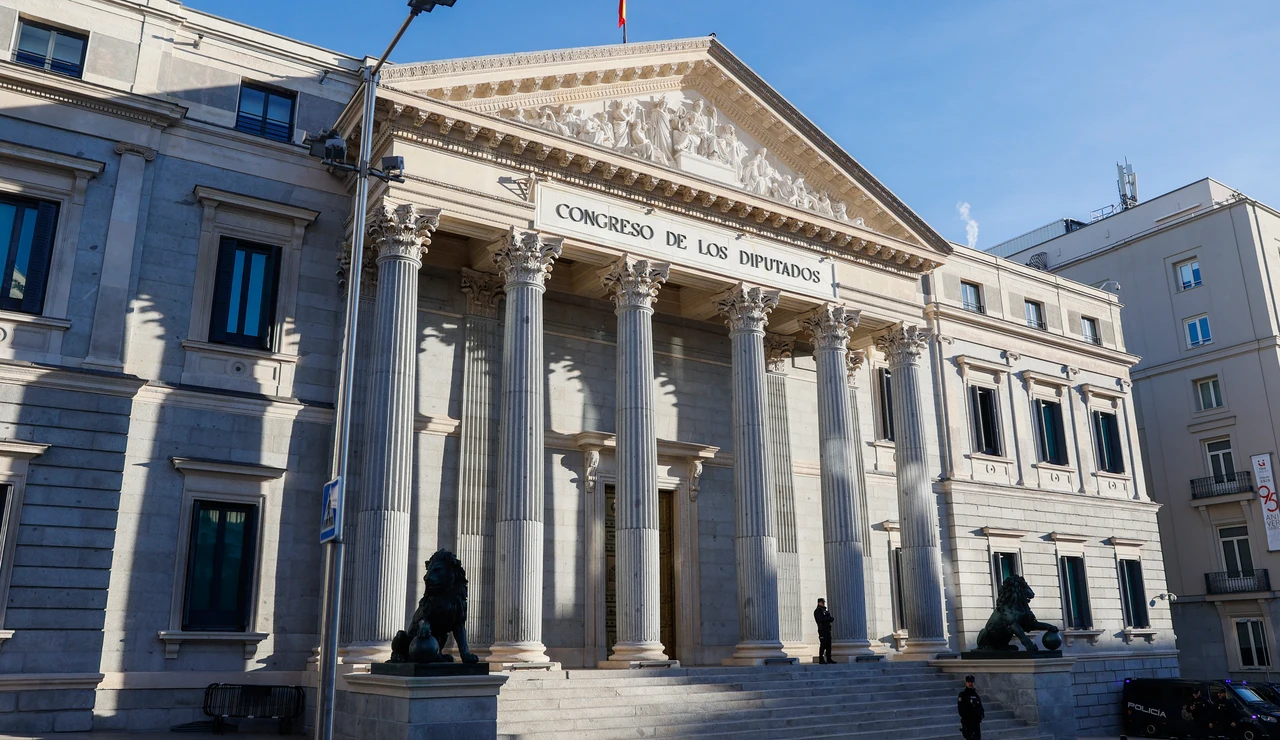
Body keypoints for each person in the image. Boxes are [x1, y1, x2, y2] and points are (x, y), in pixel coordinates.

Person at [958, 675, 984, 740]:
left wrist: (981, 715)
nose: (970, 683)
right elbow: (961, 709)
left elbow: (980, 707)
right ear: (966, 683)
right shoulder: (962, 695)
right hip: (968, 722)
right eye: (969, 682)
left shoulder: (976, 695)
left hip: (976, 722)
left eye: (971, 682)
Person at [813, 598, 834, 664]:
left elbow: (829, 618)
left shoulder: (824, 610)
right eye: (822, 602)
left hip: (827, 629)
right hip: (822, 630)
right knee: (823, 644)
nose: (823, 603)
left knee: (828, 645)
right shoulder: (817, 611)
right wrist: (827, 618)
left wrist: (829, 618)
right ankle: (821, 659)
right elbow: (820, 619)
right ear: (819, 603)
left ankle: (829, 658)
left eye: (823, 602)